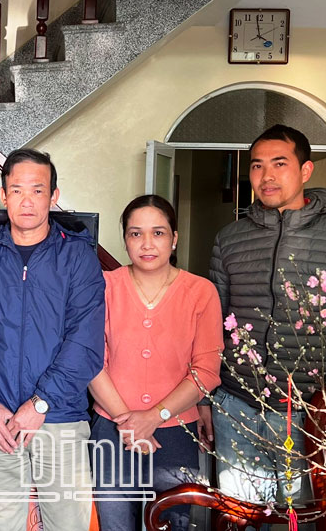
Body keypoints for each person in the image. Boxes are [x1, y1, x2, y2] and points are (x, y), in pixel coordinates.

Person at [206, 124, 326, 505]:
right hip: (236, 405)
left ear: (305, 170)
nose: (266, 176)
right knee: (238, 517)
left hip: (312, 413)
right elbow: (211, 326)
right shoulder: (230, 239)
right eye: (257, 166)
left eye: (279, 164)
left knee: (307, 517)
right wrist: (206, 399)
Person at [0, 149, 105, 531]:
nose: (27, 201)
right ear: (4, 196)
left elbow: (86, 343)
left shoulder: (78, 257)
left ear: (53, 196)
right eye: (17, 190)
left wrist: (40, 404)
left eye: (37, 190)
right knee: (0, 526)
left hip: (59, 418)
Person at [87, 194, 223, 531]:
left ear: (174, 239)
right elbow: (91, 362)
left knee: (172, 523)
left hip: (176, 434)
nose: (147, 243)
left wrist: (153, 417)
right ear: (125, 239)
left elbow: (206, 371)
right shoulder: (103, 287)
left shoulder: (201, 292)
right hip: (112, 431)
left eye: (158, 233)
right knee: (114, 525)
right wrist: (129, 422)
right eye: (136, 233)